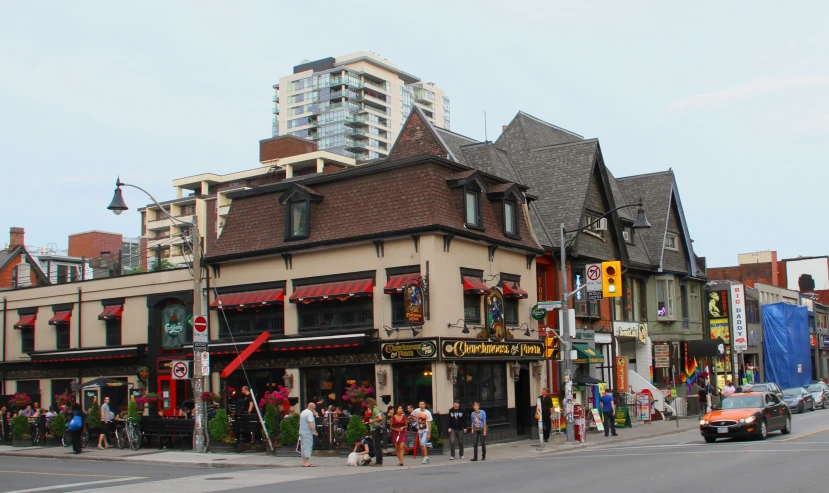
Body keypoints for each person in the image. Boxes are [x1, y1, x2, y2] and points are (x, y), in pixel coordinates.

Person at [364, 397, 385, 466]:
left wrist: (372, 421)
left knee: (377, 445)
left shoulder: (375, 409)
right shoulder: (374, 409)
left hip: (375, 429)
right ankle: (378, 460)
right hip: (374, 429)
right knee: (376, 445)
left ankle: (379, 461)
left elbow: (380, 418)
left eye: (367, 404)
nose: (367, 406)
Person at [299, 402, 318, 467]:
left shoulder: (303, 412)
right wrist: (315, 431)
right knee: (308, 446)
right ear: (312, 408)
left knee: (303, 447)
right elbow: (310, 423)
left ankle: (304, 461)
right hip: (307, 432)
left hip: (302, 431)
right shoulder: (309, 413)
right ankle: (307, 462)